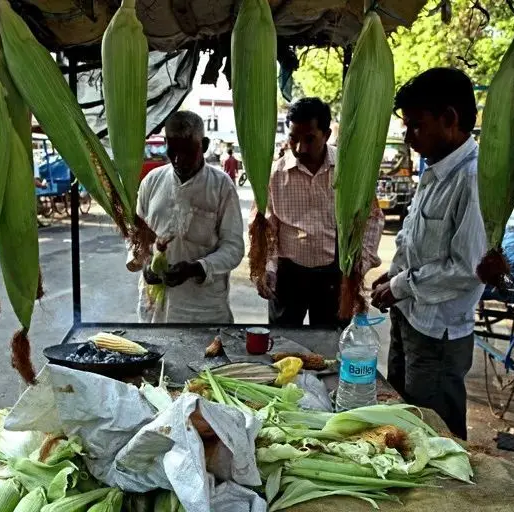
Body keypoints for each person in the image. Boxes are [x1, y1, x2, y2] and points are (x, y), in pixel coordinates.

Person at [370, 68, 487, 440]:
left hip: (438, 333)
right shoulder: (435, 171)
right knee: (405, 421)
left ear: (450, 119)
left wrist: (401, 285)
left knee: (435, 435)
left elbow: (467, 269)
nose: (408, 137)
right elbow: (412, 238)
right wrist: (394, 275)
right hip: (410, 318)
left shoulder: (472, 179)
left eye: (416, 126)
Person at [254, 97, 384, 327]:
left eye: (309, 139)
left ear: (326, 134)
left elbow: (372, 219)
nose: (299, 148)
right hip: (288, 276)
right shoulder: (275, 174)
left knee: (329, 346)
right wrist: (269, 268)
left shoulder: (349, 171)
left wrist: (356, 267)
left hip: (334, 277)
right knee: (282, 343)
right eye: (293, 138)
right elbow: (267, 227)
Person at [129, 111, 245, 323]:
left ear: (205, 145)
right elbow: (137, 237)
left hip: (202, 310)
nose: (178, 160)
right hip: (156, 308)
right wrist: (146, 264)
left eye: (188, 152)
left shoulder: (222, 187)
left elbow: (234, 248)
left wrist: (197, 268)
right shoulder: (151, 181)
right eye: (172, 151)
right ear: (165, 143)